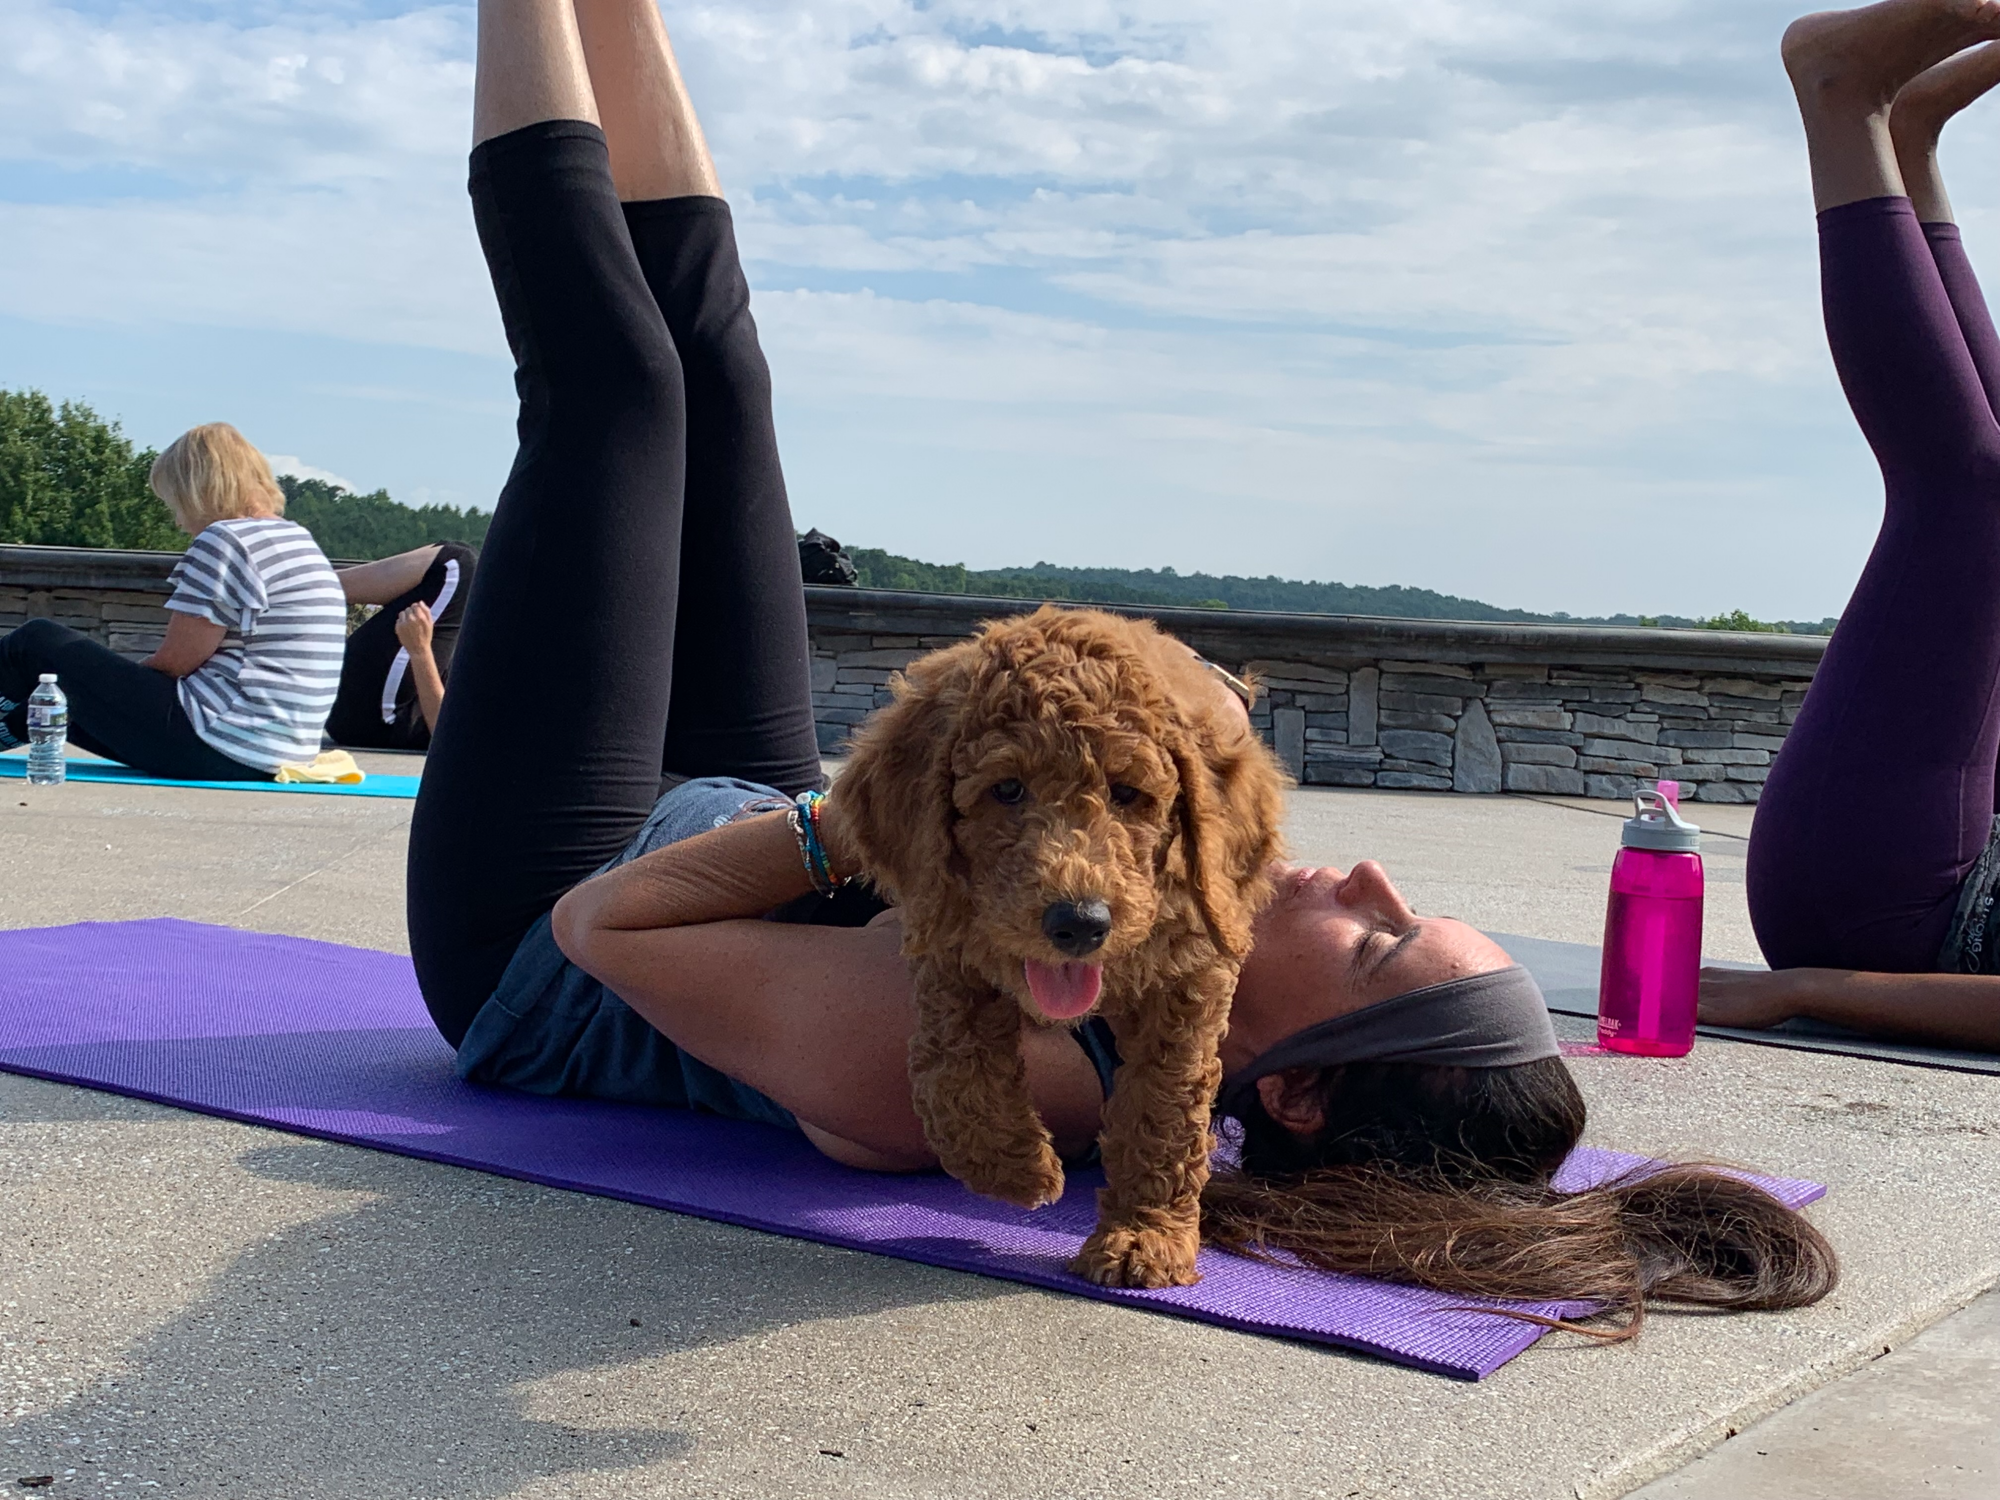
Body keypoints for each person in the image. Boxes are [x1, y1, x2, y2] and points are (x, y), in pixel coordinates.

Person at [409, 0, 1836, 1337]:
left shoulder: (1013, 1078)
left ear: (1309, 1094)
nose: (1370, 881)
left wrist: (881, 812)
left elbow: (612, 931)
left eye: (1384, 942)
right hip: (738, 833)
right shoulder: (1141, 948)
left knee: (618, 390)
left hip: (545, 936)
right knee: (720, 375)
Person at [1708, 0, 2000, 1054]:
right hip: (1948, 851)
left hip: (1892, 916)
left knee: (1967, 498)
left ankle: (1842, 98)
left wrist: (1804, 990)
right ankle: (1904, 140)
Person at [0, 422, 346, 780]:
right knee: (55, 706)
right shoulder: (298, 539)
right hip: (272, 751)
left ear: (197, 490)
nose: (179, 521)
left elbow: (177, 660)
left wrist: (119, 686)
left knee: (36, 641)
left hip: (219, 736)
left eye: (175, 504)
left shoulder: (226, 540)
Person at [327, 542, 479, 750]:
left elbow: (451, 735)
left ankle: (298, 587)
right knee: (461, 556)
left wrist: (420, 651)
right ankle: (303, 586)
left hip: (383, 720)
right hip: (376, 710)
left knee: (456, 564)